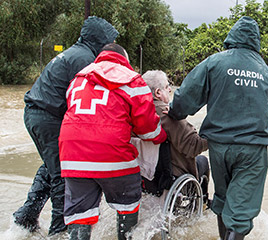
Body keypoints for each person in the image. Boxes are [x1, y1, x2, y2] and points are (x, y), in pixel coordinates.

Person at [167, 16, 268, 240]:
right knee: (241, 212)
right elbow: (266, 100)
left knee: (224, 199)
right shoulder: (263, 69)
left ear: (232, 37)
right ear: (255, 40)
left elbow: (187, 95)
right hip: (252, 148)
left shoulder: (215, 62)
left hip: (219, 147)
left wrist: (175, 113)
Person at [14, 16, 118, 235]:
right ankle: (59, 233)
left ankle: (26, 218)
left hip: (37, 114)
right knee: (64, 176)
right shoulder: (85, 59)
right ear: (100, 41)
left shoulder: (76, 52)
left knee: (51, 168)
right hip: (48, 118)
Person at [59, 43, 167, 240]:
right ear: (124, 59)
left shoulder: (78, 78)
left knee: (80, 213)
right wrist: (162, 136)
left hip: (72, 156)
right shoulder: (132, 80)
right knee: (128, 202)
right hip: (113, 156)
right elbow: (149, 130)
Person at [142, 70, 210, 202]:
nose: (169, 91)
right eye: (167, 87)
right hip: (171, 178)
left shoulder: (134, 112)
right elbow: (194, 146)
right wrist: (211, 137)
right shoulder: (167, 115)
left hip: (145, 177)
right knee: (203, 161)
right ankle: (202, 202)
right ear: (158, 93)